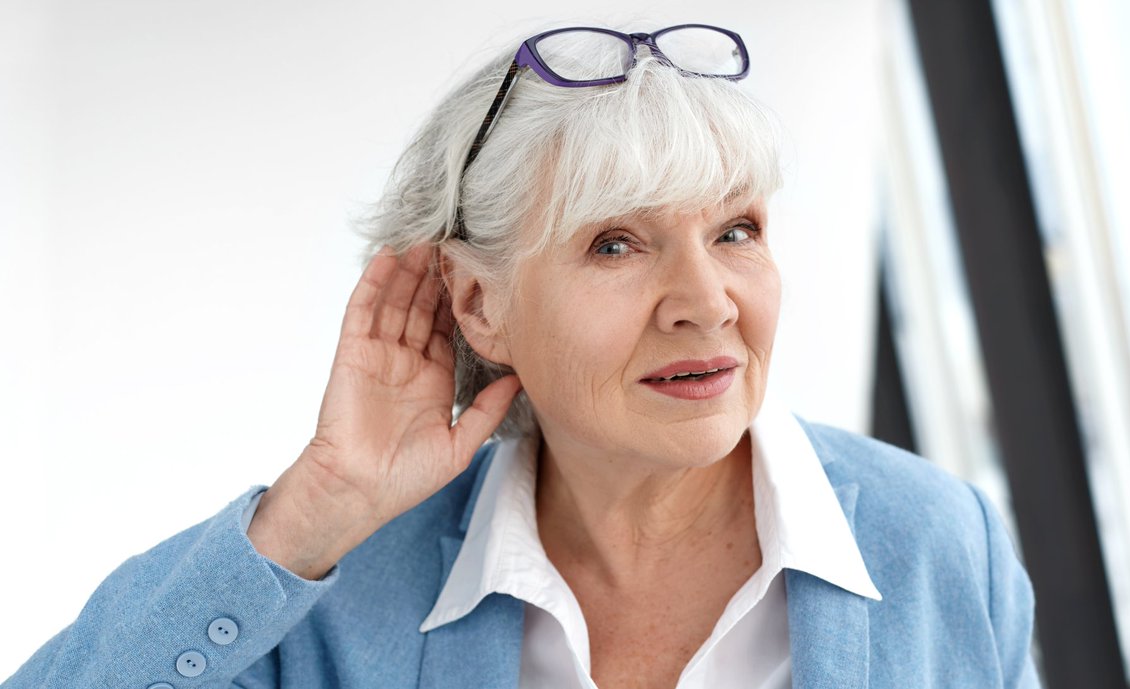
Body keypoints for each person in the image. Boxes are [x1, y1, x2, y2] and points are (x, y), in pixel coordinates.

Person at [2, 23, 1039, 689]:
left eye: (736, 230)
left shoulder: (940, 542)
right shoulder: (350, 578)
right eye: (616, 242)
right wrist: (312, 507)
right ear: (479, 304)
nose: (706, 301)